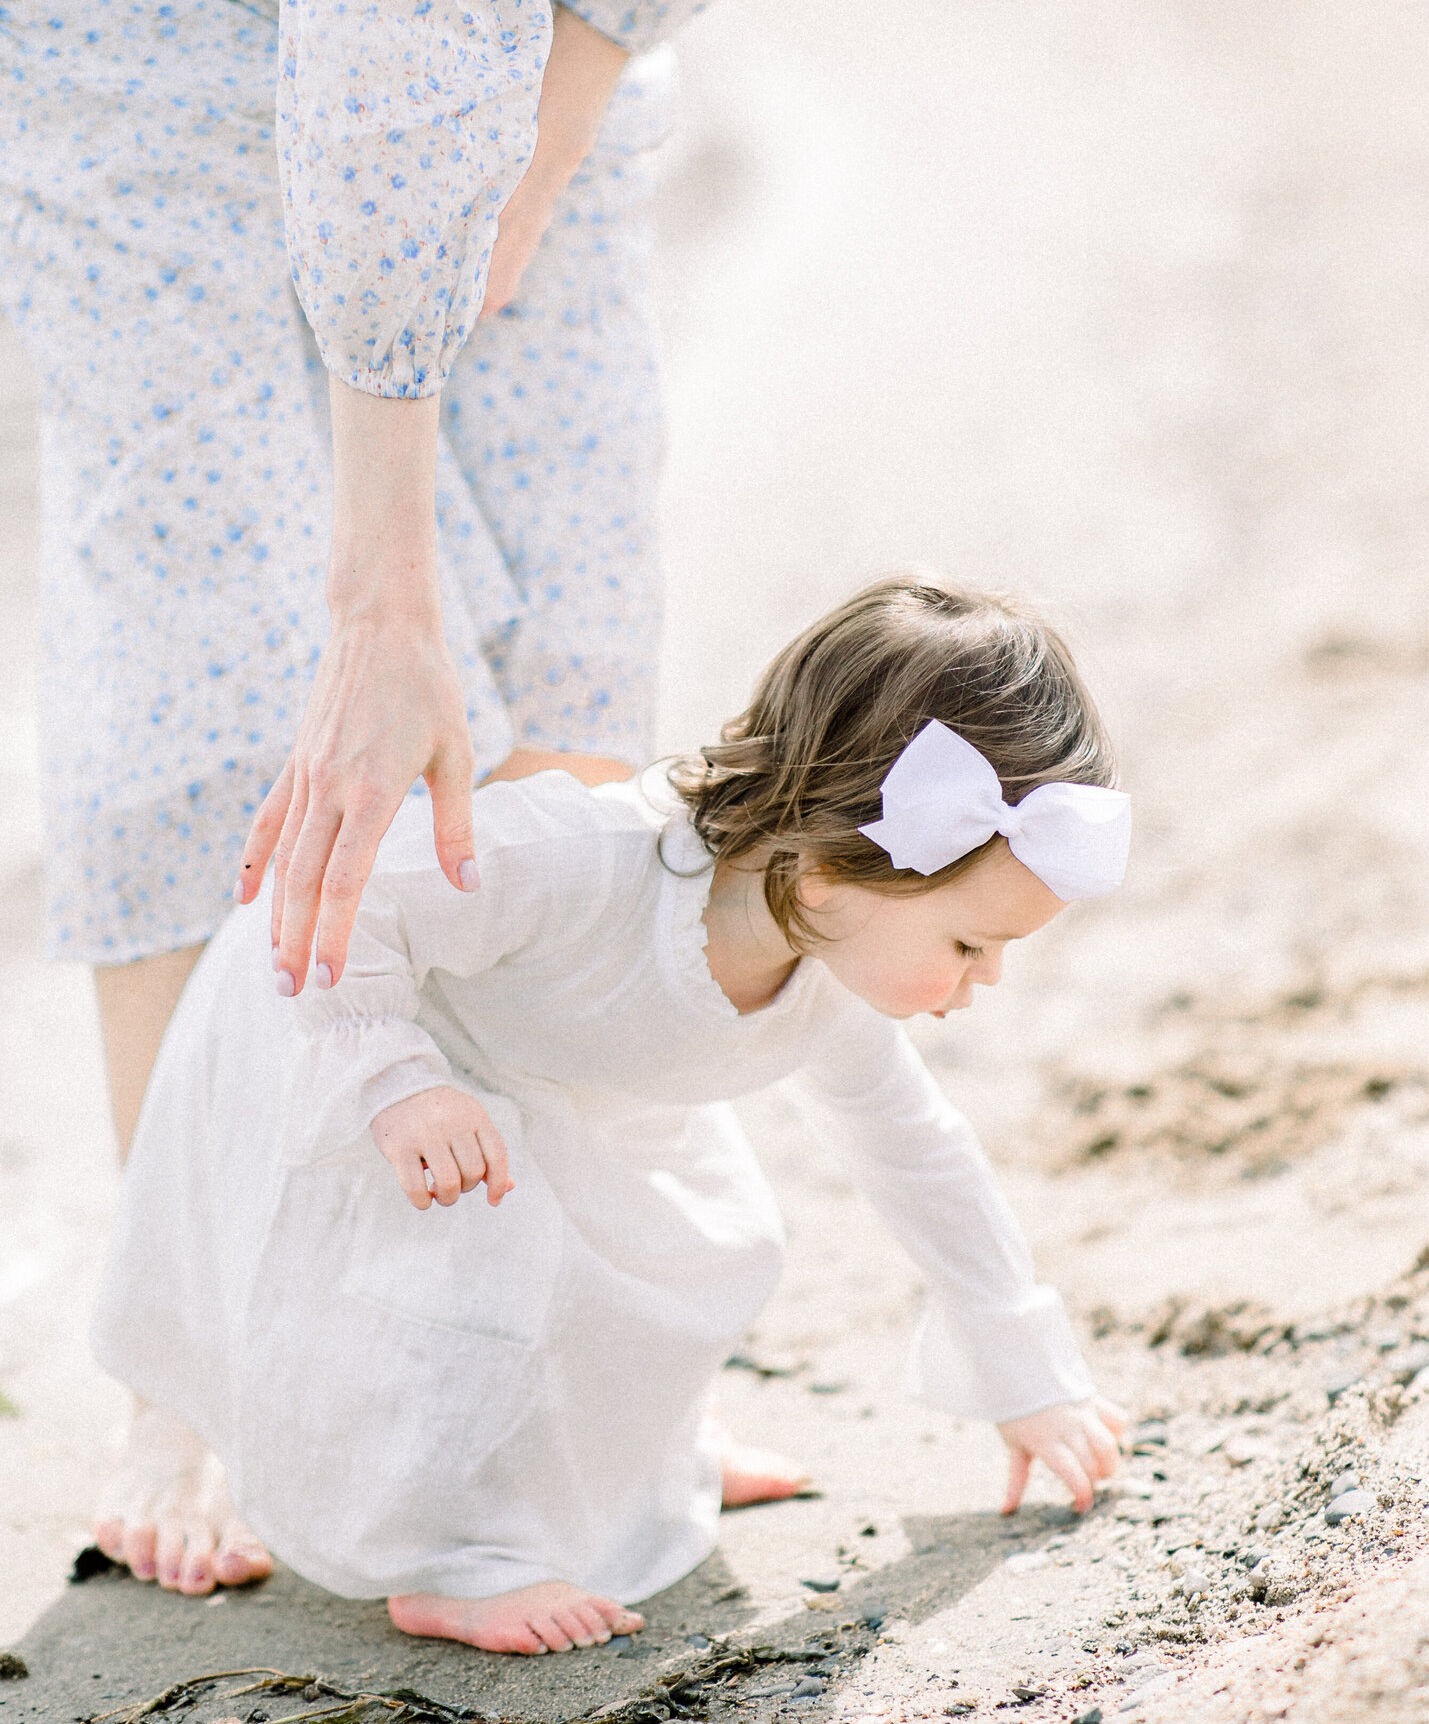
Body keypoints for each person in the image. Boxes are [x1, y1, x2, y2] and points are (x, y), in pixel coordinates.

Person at [0, 0, 984, 1181]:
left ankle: (548, 1311)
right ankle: (224, 1371)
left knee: (575, 607)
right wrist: (377, 605)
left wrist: (557, 110)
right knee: (237, 649)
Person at [90, 579, 1133, 1648]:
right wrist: (396, 1079)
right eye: (970, 942)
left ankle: (640, 1471)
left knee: (694, 1250)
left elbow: (918, 1154)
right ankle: (453, 1558)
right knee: (486, 1258)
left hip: (558, 1091)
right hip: (358, 1033)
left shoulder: (823, 973)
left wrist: (1023, 1372)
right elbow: (338, 902)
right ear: (822, 878)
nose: (990, 975)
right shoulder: (573, 857)